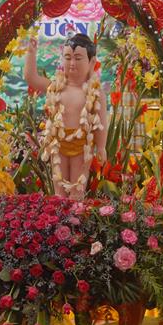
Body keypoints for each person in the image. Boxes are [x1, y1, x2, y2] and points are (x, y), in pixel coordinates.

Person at [24, 33, 107, 200]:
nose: (72, 63)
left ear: (91, 62)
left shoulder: (95, 92)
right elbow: (31, 78)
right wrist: (31, 53)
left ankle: (76, 214)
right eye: (68, 57)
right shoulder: (55, 87)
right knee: (59, 192)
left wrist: (101, 146)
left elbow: (101, 123)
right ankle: (59, 216)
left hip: (82, 146)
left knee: (77, 191)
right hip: (58, 145)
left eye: (78, 58)